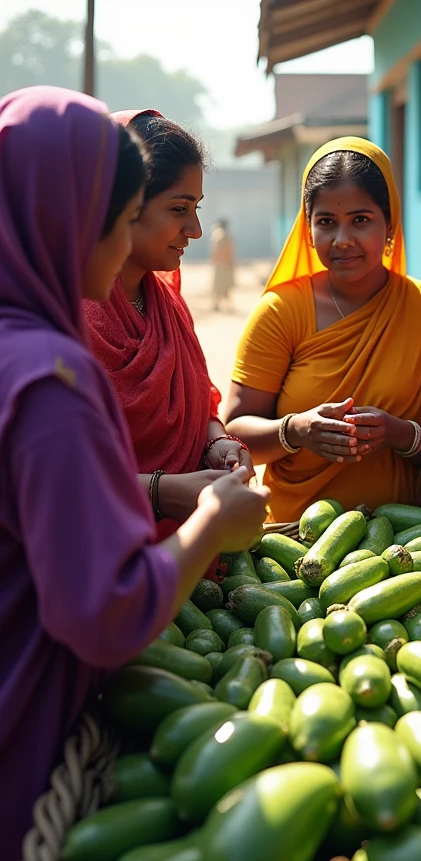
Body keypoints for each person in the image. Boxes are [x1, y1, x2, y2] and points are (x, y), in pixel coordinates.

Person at [0, 85, 269, 861]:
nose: (133, 247)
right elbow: (103, 611)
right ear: (68, 219)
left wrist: (210, 456)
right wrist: (209, 525)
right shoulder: (51, 379)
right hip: (28, 696)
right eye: (122, 220)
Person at [224, 137, 421, 523]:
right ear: (308, 229)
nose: (342, 240)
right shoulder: (282, 311)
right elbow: (233, 434)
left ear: (390, 224)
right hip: (290, 542)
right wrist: (295, 430)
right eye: (326, 222)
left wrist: (399, 434)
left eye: (360, 220)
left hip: (407, 547)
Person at [83, 110, 251, 540]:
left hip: (192, 565)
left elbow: (200, 403)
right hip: (94, 572)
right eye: (178, 209)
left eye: (196, 209)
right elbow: (51, 478)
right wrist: (160, 493)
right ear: (121, 204)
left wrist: (216, 443)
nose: (193, 229)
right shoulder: (67, 321)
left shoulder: (169, 305)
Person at [210, 217, 235, 312]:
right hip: (223, 264)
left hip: (221, 264)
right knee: (222, 285)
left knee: (220, 285)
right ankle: (220, 304)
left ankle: (220, 304)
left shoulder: (219, 235)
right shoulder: (223, 236)